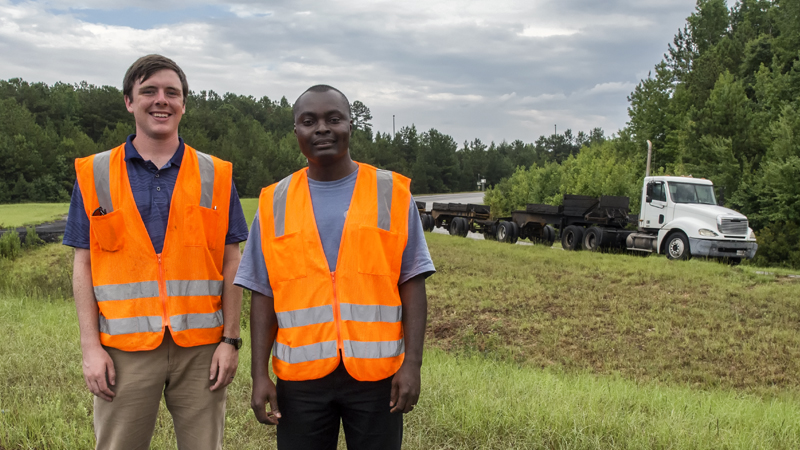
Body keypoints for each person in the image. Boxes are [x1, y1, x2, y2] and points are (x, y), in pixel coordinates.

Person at [63, 54, 249, 450]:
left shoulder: (216, 174)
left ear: (184, 103)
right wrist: (91, 348)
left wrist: (230, 341)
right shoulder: (95, 173)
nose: (161, 100)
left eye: (172, 92)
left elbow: (233, 261)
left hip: (202, 350)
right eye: (148, 91)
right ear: (129, 101)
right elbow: (84, 264)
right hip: (123, 351)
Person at [236, 85, 435, 449]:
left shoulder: (391, 192)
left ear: (350, 125)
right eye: (309, 121)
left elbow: (412, 282)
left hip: (378, 377)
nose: (322, 129)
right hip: (301, 378)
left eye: (334, 119)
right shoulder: (273, 201)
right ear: (296, 131)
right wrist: (258, 374)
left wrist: (413, 365)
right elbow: (263, 293)